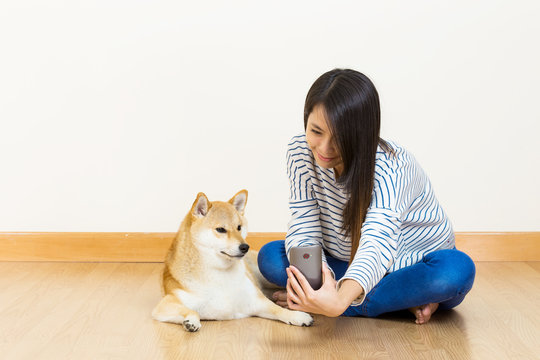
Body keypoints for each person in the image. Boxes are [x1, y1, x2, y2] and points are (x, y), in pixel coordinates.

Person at [257, 69, 476, 324]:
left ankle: (344, 301)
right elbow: (304, 222)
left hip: (408, 266)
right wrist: (317, 286)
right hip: (345, 262)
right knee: (271, 257)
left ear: (362, 134)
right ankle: (394, 301)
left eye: (340, 139)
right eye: (316, 131)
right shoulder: (299, 151)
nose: (324, 149)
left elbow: (377, 241)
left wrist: (335, 303)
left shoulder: (395, 166)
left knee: (455, 271)